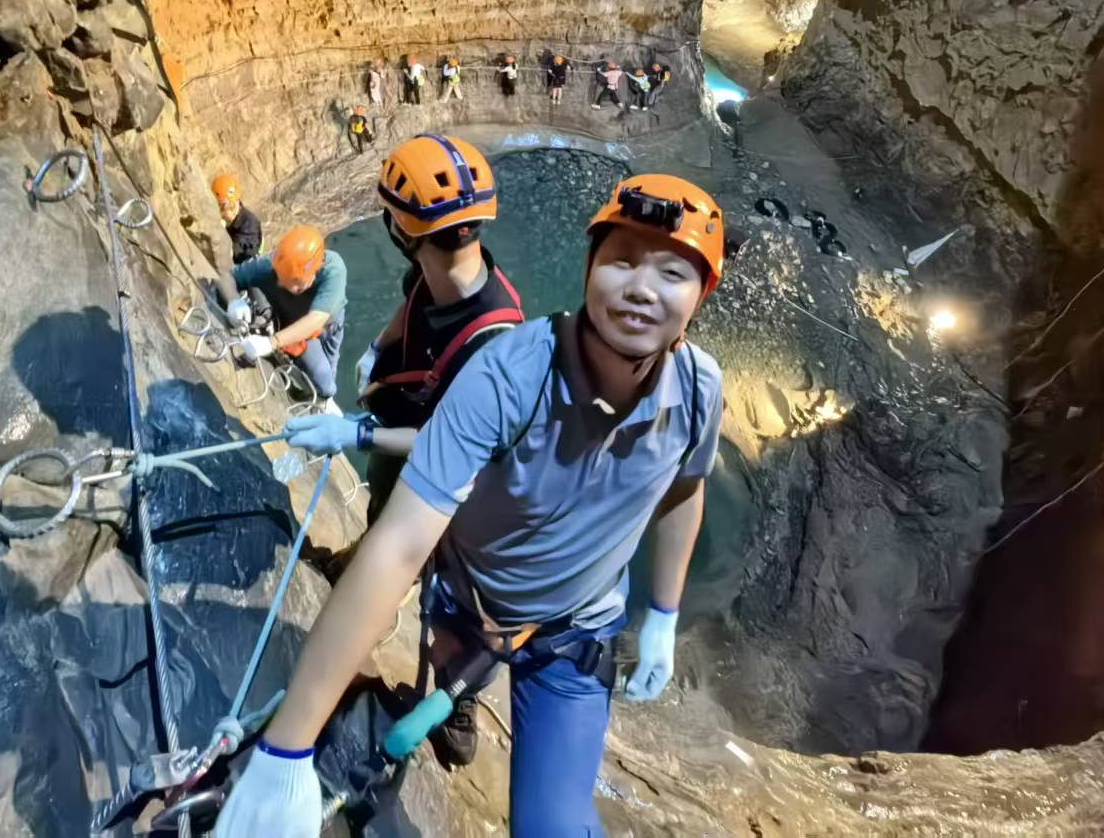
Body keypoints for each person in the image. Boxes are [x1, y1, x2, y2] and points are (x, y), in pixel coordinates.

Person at [218, 174, 729, 838]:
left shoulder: (698, 390)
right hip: (471, 606)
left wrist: (663, 611)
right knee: (454, 685)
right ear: (590, 266)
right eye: (622, 260)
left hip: (576, 635)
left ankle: (457, 708)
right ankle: (456, 706)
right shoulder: (511, 374)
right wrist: (285, 748)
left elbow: (685, 486)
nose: (641, 287)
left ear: (701, 295)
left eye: (672, 272)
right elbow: (399, 544)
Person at [286, 134, 526, 763]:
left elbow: (456, 446)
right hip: (401, 438)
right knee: (381, 522)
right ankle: (353, 565)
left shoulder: (497, 344)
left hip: (451, 478)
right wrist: (379, 358)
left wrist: (356, 433)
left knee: (445, 584)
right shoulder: (442, 272)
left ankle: (455, 703)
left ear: (406, 229)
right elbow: (413, 307)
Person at [218, 225, 348, 406]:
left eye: (298, 283)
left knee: (327, 387)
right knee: (323, 383)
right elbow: (227, 277)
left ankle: (320, 401)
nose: (293, 288)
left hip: (322, 328)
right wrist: (234, 301)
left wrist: (272, 342)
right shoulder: (269, 266)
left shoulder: (333, 270)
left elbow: (316, 319)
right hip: (287, 317)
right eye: (286, 281)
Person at [212, 172, 263, 266]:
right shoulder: (229, 221)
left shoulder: (249, 224)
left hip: (245, 270)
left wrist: (220, 232)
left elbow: (236, 253)